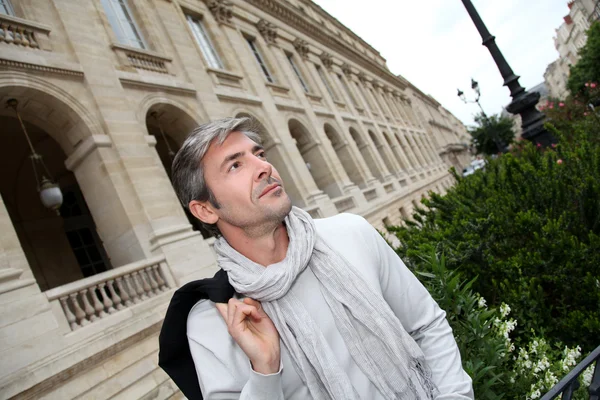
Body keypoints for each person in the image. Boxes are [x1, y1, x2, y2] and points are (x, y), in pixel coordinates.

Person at [158, 117, 474, 400]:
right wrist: (265, 370)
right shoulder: (213, 320)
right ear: (206, 209)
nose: (264, 168)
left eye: (260, 154)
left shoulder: (351, 234)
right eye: (235, 166)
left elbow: (426, 325)